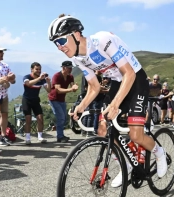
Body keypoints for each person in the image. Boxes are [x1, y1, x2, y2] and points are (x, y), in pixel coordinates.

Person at [48, 14, 167, 187]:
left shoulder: (103, 41)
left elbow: (129, 73)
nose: (59, 47)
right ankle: (124, 164)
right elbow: (94, 87)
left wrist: (115, 104)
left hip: (136, 79)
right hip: (118, 83)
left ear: (76, 34)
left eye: (61, 41)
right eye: (56, 44)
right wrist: (81, 106)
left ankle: (159, 152)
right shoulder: (77, 58)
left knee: (136, 135)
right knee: (102, 130)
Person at [0, 45, 16, 146]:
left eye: (2, 52)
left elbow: (12, 81)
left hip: (4, 94)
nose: (2, 54)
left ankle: (4, 135)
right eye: (0, 52)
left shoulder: (5, 65)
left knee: (4, 115)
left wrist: (12, 79)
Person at [48, 60, 78, 142]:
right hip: (54, 99)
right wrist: (71, 89)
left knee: (64, 117)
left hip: (62, 99)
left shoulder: (70, 76)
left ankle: (61, 135)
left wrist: (74, 87)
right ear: (64, 68)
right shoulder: (56, 76)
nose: (70, 69)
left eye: (71, 68)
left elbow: (73, 87)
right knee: (61, 117)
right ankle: (60, 137)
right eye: (69, 68)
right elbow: (58, 90)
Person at [23, 62, 51, 144]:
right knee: (28, 119)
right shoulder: (27, 77)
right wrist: (39, 78)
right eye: (37, 69)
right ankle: (27, 138)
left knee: (40, 118)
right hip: (26, 100)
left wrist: (48, 82)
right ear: (32, 69)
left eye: (40, 69)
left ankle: (40, 137)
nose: (39, 71)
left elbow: (48, 90)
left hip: (35, 100)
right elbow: (28, 84)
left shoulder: (42, 80)